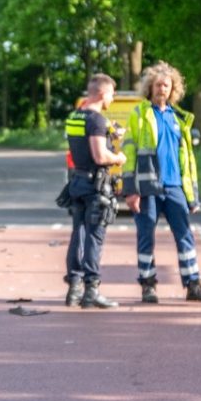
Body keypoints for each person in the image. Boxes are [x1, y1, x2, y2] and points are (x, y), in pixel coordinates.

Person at [122, 62, 201, 304]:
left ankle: (193, 284)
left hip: (174, 187)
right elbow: (129, 154)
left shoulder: (180, 119)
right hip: (147, 186)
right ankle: (148, 285)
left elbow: (188, 161)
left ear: (173, 89)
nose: (162, 88)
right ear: (150, 88)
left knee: (185, 235)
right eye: (158, 84)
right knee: (146, 236)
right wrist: (130, 190)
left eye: (167, 85)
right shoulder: (140, 114)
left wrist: (192, 195)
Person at [63, 72, 127, 309]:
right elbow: (100, 155)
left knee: (77, 234)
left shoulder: (75, 117)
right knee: (94, 236)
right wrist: (118, 157)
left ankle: (74, 288)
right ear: (102, 93)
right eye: (112, 93)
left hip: (77, 181)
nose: (113, 98)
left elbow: (84, 140)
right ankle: (92, 289)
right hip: (95, 185)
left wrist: (111, 133)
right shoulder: (96, 120)